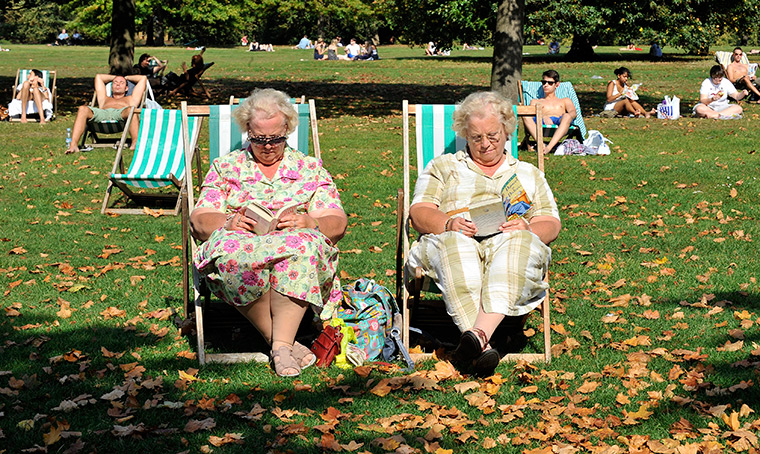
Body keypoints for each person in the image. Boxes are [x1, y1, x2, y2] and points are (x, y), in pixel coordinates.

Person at [189, 88, 347, 378]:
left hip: (295, 247)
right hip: (241, 247)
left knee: (304, 249)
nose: (268, 146)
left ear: (287, 129)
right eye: (259, 139)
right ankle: (284, 346)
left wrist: (313, 223)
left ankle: (279, 346)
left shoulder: (310, 169)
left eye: (276, 138)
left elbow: (337, 221)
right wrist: (227, 220)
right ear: (247, 130)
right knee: (230, 256)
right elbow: (199, 219)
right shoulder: (226, 168)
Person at [407, 91, 560, 377]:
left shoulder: (528, 173)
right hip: (451, 239)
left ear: (507, 131)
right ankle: (484, 341)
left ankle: (476, 338)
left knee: (519, 242)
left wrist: (528, 227)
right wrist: (448, 223)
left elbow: (550, 222)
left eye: (493, 135)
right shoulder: (444, 167)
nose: (486, 144)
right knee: (456, 244)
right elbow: (419, 212)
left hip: (508, 245)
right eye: (476, 138)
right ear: (465, 134)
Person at [65, 74, 147, 154]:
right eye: (115, 82)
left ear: (126, 88)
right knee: (82, 109)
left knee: (132, 110)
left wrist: (126, 77)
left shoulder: (131, 99)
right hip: (103, 113)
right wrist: (116, 77)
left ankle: (135, 143)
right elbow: (99, 77)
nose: (118, 84)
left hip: (122, 113)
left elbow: (143, 78)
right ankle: (73, 146)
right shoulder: (104, 98)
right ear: (111, 87)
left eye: (122, 83)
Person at [522, 70, 577, 154]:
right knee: (525, 115)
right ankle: (541, 144)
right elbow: (530, 115)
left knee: (567, 116)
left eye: (550, 83)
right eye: (544, 82)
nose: (546, 85)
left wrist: (566, 116)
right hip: (541, 120)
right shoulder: (535, 101)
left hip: (560, 120)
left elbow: (573, 113)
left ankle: (549, 147)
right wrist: (543, 117)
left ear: (557, 85)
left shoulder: (565, 100)